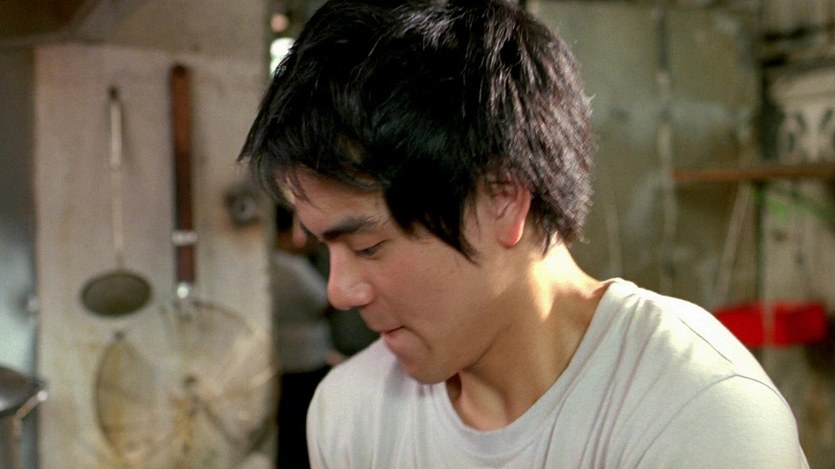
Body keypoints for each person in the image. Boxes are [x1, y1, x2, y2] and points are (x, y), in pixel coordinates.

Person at [240, 1, 809, 467]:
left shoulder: (699, 418)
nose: (340, 291)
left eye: (368, 246)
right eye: (326, 247)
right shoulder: (351, 415)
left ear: (503, 198)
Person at [270, 204, 338, 468]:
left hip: (287, 359)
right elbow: (324, 302)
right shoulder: (290, 266)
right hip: (305, 360)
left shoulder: (271, 265)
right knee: (302, 426)